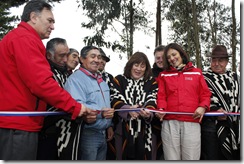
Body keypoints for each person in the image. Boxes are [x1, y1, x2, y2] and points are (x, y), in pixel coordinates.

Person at [0, 0, 90, 160]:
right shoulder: (24, 39)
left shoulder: (22, 38)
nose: (53, 26)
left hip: (19, 123)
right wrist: (74, 107)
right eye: (50, 20)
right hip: (18, 125)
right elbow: (41, 83)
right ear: (33, 17)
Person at [156, 43, 211, 160]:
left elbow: (205, 94)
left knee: (191, 158)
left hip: (192, 121)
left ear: (181, 54)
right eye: (168, 57)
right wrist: (161, 109)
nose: (172, 58)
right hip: (170, 123)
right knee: (171, 158)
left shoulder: (196, 72)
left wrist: (203, 107)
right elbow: (161, 96)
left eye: (174, 54)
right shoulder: (164, 75)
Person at [64, 45, 115, 160]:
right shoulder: (75, 80)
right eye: (93, 56)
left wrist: (109, 125)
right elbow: (77, 105)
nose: (97, 60)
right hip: (87, 133)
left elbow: (106, 104)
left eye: (99, 57)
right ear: (82, 59)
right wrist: (100, 114)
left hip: (103, 134)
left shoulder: (101, 80)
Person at [111, 52, 158, 160]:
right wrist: (128, 110)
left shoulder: (152, 82)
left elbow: (153, 98)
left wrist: (148, 113)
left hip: (146, 132)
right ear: (130, 65)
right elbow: (114, 98)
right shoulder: (119, 80)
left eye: (142, 66)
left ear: (146, 68)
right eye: (136, 65)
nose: (139, 69)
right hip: (123, 129)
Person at [201, 45, 240, 160]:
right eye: (214, 60)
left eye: (221, 60)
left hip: (234, 126)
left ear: (227, 62)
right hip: (211, 127)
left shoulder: (234, 77)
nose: (216, 63)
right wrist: (214, 110)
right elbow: (200, 98)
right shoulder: (203, 77)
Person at [36, 37, 70, 159]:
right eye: (61, 56)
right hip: (47, 132)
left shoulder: (66, 73)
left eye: (67, 55)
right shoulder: (45, 73)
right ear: (49, 56)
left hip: (64, 133)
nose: (66, 60)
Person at [98, 48, 116, 160]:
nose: (101, 61)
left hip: (108, 121)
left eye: (104, 59)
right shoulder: (81, 76)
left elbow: (113, 100)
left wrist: (110, 125)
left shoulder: (110, 77)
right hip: (89, 123)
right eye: (99, 58)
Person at [151, 45, 165, 160]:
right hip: (153, 120)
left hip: (170, 116)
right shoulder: (150, 74)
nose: (160, 60)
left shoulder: (173, 72)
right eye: (157, 58)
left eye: (162, 57)